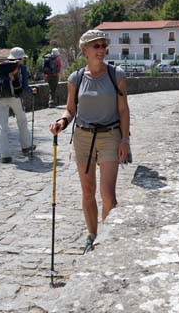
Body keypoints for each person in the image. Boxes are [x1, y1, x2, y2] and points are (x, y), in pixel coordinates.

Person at [48, 30, 131, 253]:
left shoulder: (117, 75)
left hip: (110, 137)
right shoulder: (76, 78)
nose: (102, 50)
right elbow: (70, 109)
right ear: (85, 50)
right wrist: (61, 123)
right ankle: (92, 236)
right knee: (87, 192)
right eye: (96, 46)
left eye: (104, 45)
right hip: (83, 138)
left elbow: (123, 110)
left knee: (108, 193)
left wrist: (125, 139)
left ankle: (107, 239)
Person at [0, 47, 37, 164]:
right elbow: (24, 87)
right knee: (22, 121)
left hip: (0, 98)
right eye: (23, 58)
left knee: (2, 126)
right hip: (15, 98)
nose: (24, 60)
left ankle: (5, 155)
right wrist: (32, 90)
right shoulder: (21, 68)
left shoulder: (1, 67)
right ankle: (26, 146)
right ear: (20, 58)